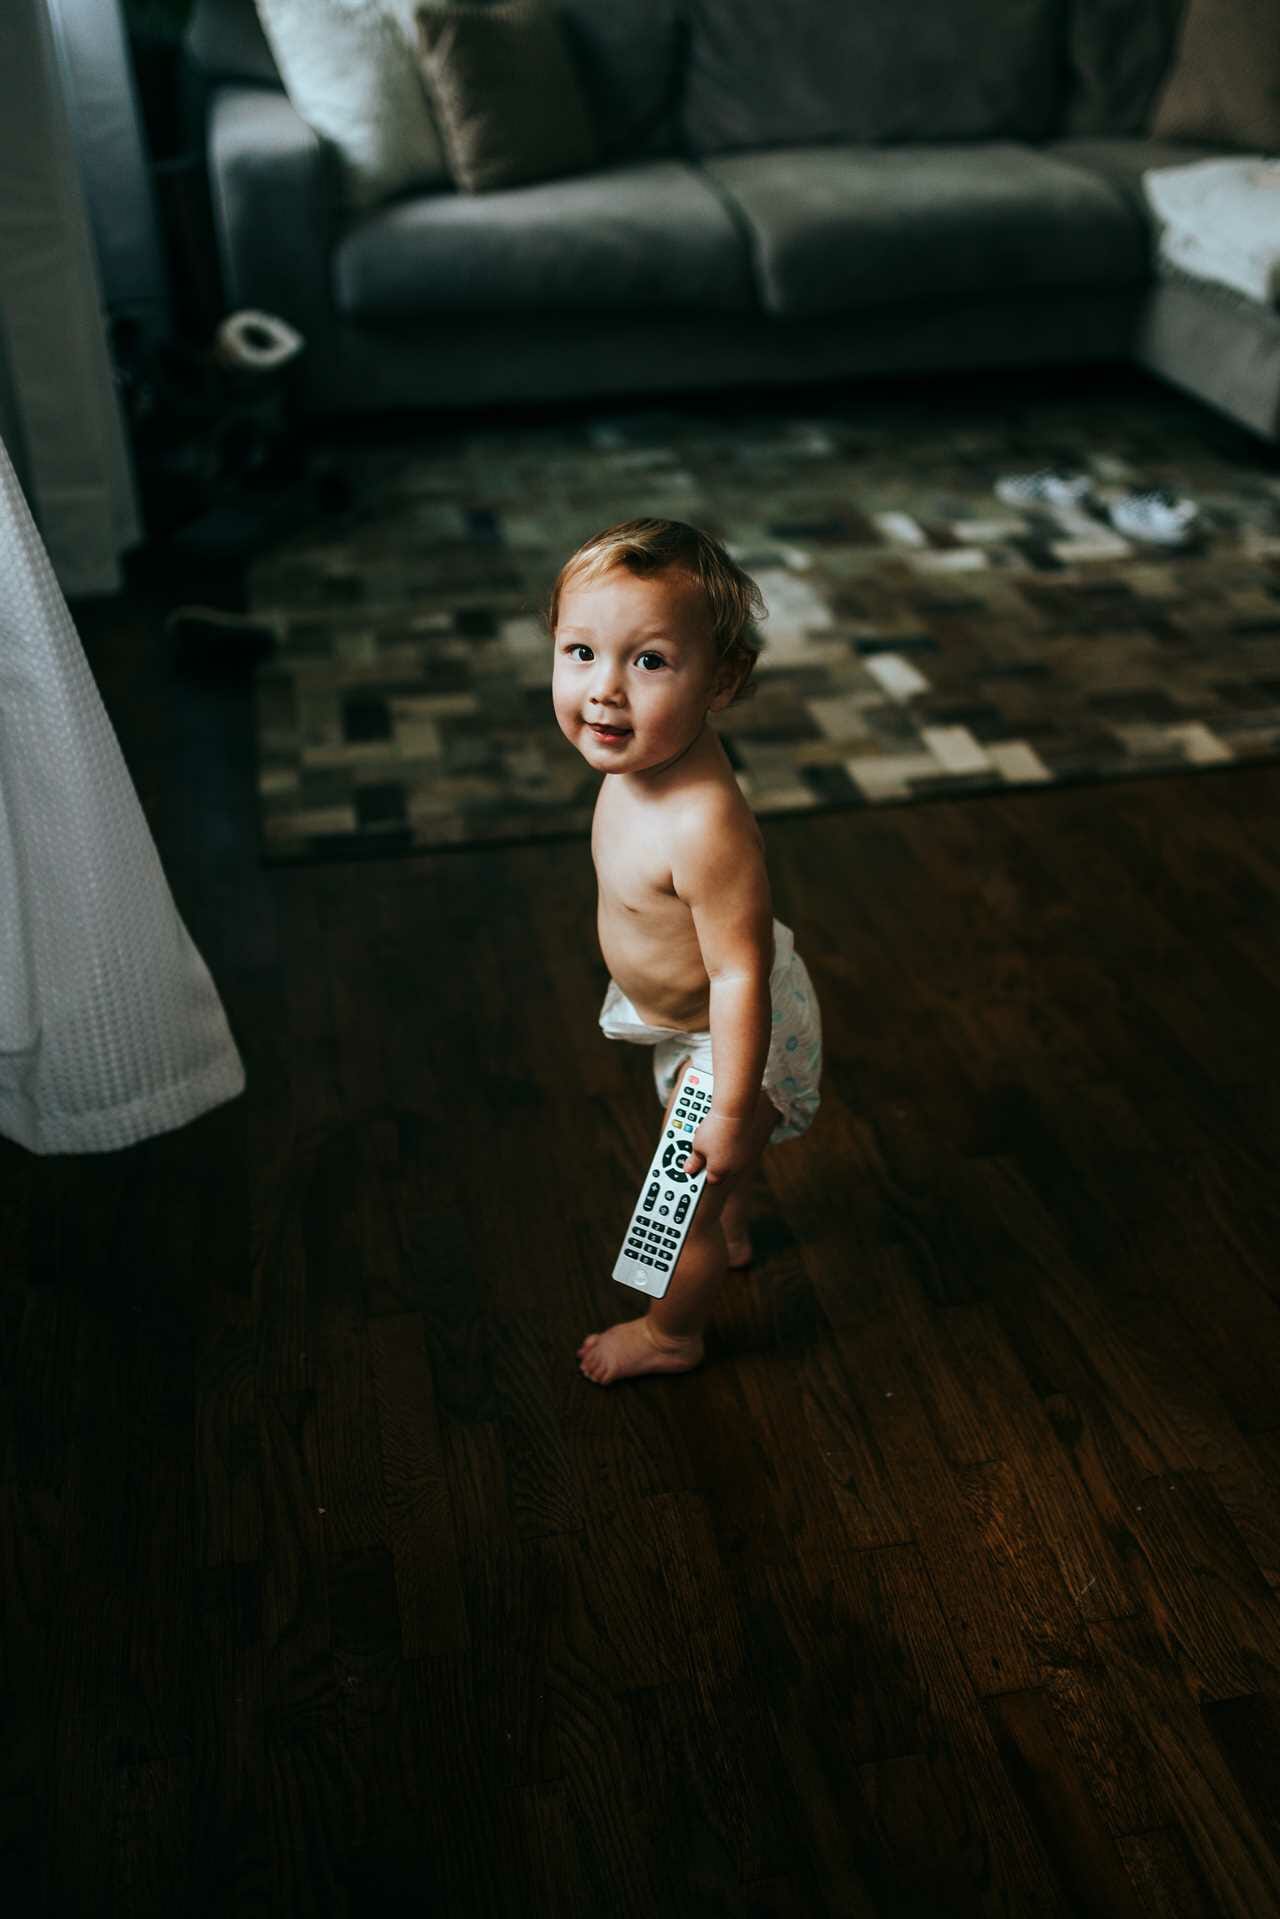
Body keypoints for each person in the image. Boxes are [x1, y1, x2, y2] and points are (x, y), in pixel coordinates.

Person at [548, 517, 822, 1385]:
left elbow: (741, 973)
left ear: (722, 681)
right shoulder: (636, 763)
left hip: (734, 1033)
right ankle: (729, 1206)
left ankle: (673, 1331)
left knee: (676, 1211)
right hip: (689, 1021)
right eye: (581, 652)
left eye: (650, 661)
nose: (606, 692)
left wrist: (732, 1111)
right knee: (709, 1184)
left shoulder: (702, 823)